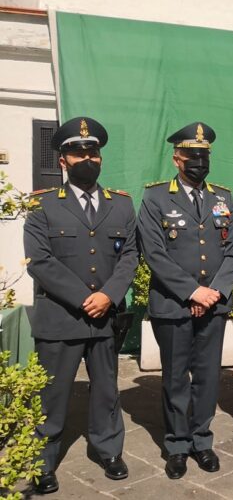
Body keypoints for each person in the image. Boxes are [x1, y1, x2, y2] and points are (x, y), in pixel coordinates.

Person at [24, 117, 138, 494]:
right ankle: (43, 460)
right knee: (52, 393)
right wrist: (83, 297)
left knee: (106, 389)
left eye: (92, 152)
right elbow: (40, 261)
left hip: (105, 317)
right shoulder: (41, 206)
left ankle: (108, 449)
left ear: (101, 159)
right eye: (77, 152)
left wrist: (109, 295)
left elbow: (130, 256)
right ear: (63, 160)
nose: (85, 157)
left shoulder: (120, 205)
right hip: (60, 318)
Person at [138, 122, 233, 478]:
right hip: (173, 304)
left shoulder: (223, 198)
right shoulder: (155, 198)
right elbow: (153, 252)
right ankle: (177, 445)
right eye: (193, 156)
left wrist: (213, 291)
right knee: (175, 379)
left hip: (214, 305)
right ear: (177, 158)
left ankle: (202, 440)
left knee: (208, 377)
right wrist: (192, 291)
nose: (199, 161)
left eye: (205, 155)